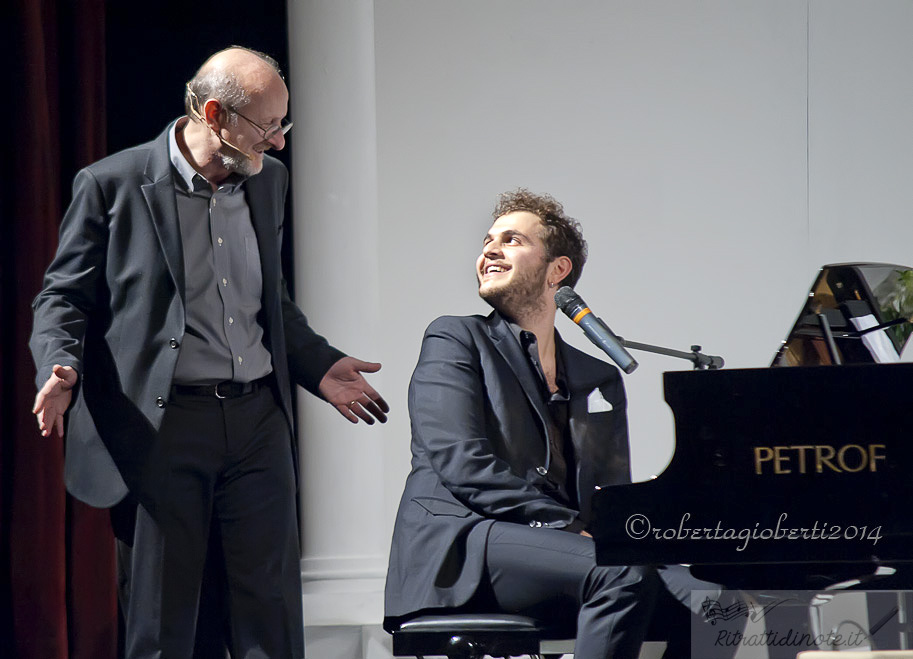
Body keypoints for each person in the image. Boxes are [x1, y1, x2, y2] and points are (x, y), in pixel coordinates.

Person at [30, 46, 388, 659]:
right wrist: (60, 363)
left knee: (270, 615)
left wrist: (317, 362)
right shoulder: (112, 184)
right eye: (268, 126)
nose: (278, 143)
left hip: (257, 424)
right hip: (163, 425)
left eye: (284, 125)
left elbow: (268, 301)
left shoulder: (266, 183)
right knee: (165, 624)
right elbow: (62, 296)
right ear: (215, 113)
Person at [384, 188, 734, 658]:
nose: (488, 250)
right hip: (465, 543)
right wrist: (566, 526)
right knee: (620, 573)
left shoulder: (597, 374)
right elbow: (461, 462)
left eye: (511, 240)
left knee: (717, 604)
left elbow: (607, 495)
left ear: (558, 270)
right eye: (488, 241)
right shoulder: (456, 337)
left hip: (557, 552)